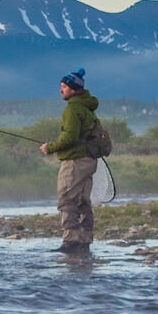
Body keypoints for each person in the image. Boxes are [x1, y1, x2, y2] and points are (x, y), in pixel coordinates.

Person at [39, 68, 100, 256]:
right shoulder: (87, 108)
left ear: (73, 89)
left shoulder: (72, 110)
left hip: (75, 162)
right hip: (89, 160)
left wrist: (50, 147)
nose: (60, 90)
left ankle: (71, 242)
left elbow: (71, 138)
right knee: (82, 201)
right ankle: (84, 242)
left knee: (67, 200)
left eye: (64, 87)